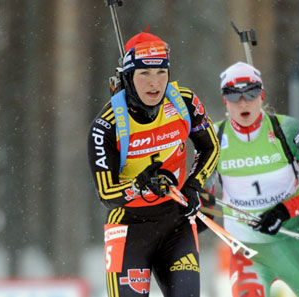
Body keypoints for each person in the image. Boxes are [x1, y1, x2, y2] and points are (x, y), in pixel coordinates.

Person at [87, 30, 220, 297]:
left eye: (161, 72)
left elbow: (210, 148)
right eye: (144, 74)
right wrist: (139, 186)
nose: (154, 83)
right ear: (128, 77)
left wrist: (194, 186)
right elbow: (106, 194)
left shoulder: (184, 102)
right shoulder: (107, 125)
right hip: (128, 228)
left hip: (176, 223)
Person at [213, 61, 299, 297]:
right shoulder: (213, 137)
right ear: (225, 100)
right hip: (247, 252)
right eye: (233, 95)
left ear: (261, 94)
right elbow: (201, 196)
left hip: (295, 245)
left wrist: (283, 211)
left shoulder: (288, 130)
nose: (243, 102)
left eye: (251, 92)